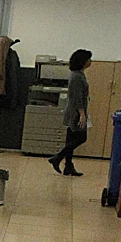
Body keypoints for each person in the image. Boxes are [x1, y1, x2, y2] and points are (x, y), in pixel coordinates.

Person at [48, 48, 91, 177]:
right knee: (81, 138)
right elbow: (77, 97)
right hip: (76, 112)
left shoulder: (79, 74)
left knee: (71, 138)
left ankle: (68, 166)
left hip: (75, 110)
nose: (90, 61)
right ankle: (57, 158)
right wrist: (82, 114)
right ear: (83, 61)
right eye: (89, 59)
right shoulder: (77, 76)